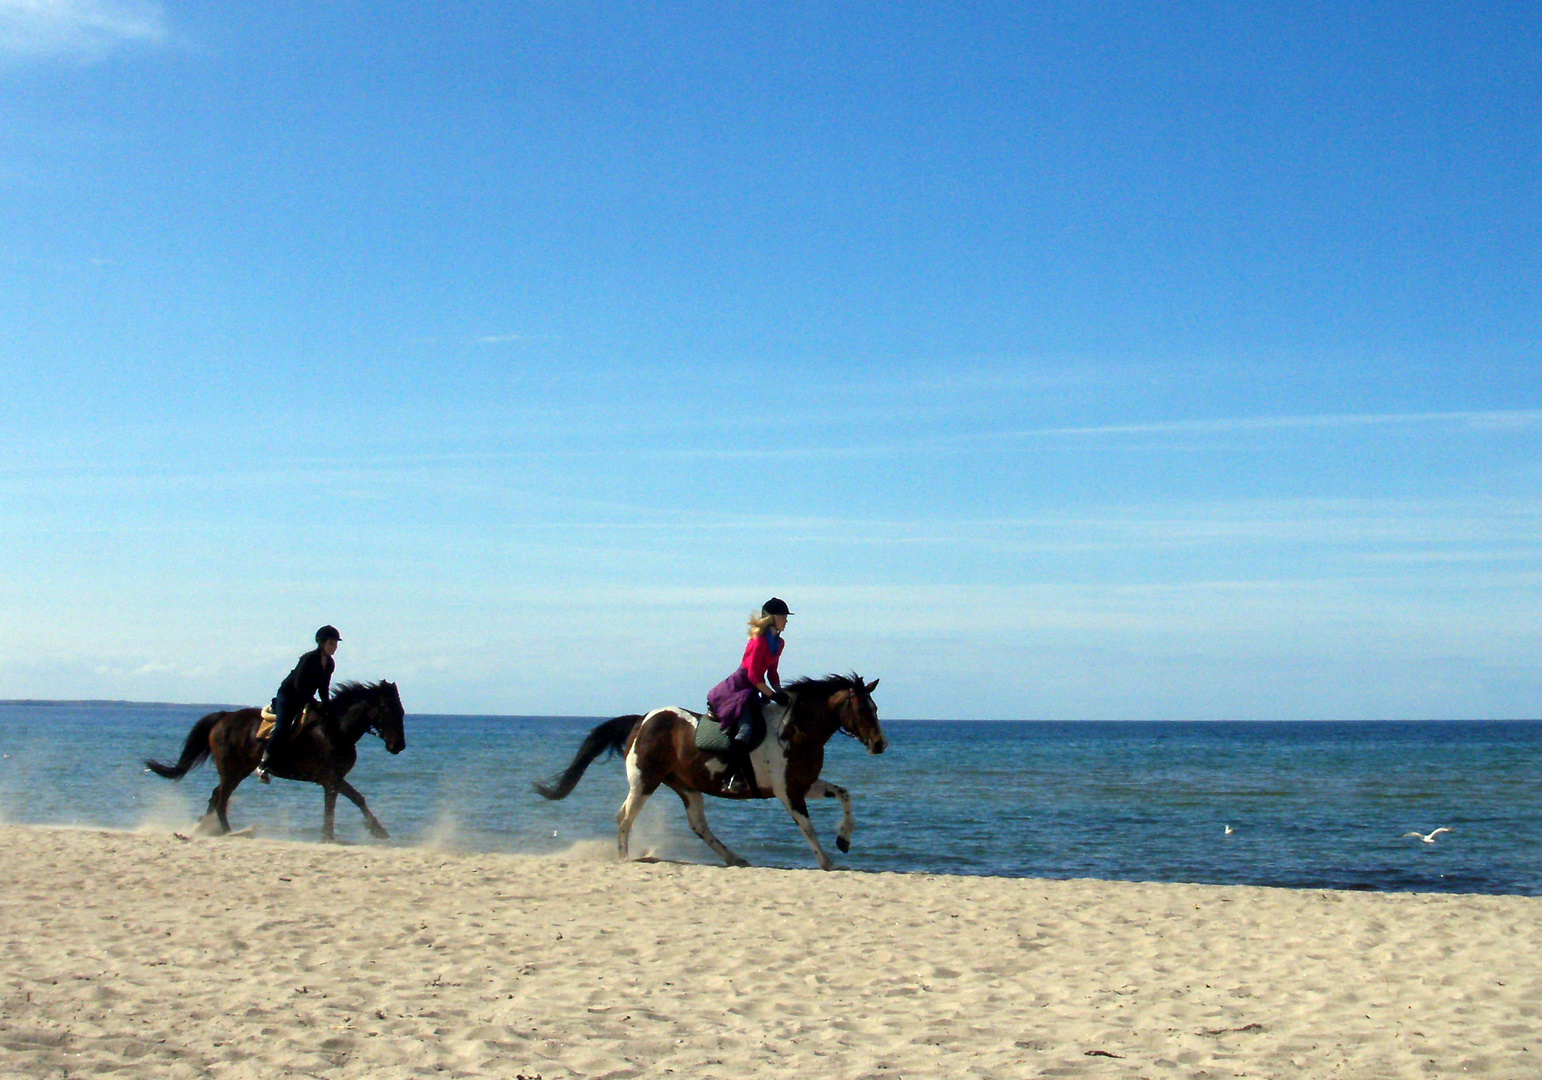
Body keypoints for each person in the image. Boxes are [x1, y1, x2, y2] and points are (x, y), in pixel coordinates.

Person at [706, 598, 791, 796]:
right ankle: (730, 777)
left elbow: (772, 673)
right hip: (738, 689)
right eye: (784, 617)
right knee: (745, 730)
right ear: (773, 619)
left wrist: (780, 692)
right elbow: (753, 676)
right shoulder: (758, 640)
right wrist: (772, 695)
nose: (786, 621)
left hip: (754, 688)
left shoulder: (779, 643)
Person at [256, 625, 340, 783]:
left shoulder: (329, 663)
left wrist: (328, 705)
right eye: (331, 643)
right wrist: (312, 702)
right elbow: (299, 685)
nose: (334, 647)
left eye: (335, 644)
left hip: (305, 698)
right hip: (288, 696)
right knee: (283, 726)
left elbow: (323, 687)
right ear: (321, 643)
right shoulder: (308, 658)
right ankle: (264, 764)